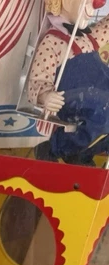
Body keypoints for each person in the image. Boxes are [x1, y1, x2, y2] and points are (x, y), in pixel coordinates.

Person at [27, 0, 109, 162]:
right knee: (103, 112)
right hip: (75, 99)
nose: (93, 9)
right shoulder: (53, 41)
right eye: (88, 3)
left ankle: (81, 157)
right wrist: (46, 96)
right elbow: (38, 79)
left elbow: (105, 28)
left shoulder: (88, 37)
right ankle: (54, 148)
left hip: (98, 95)